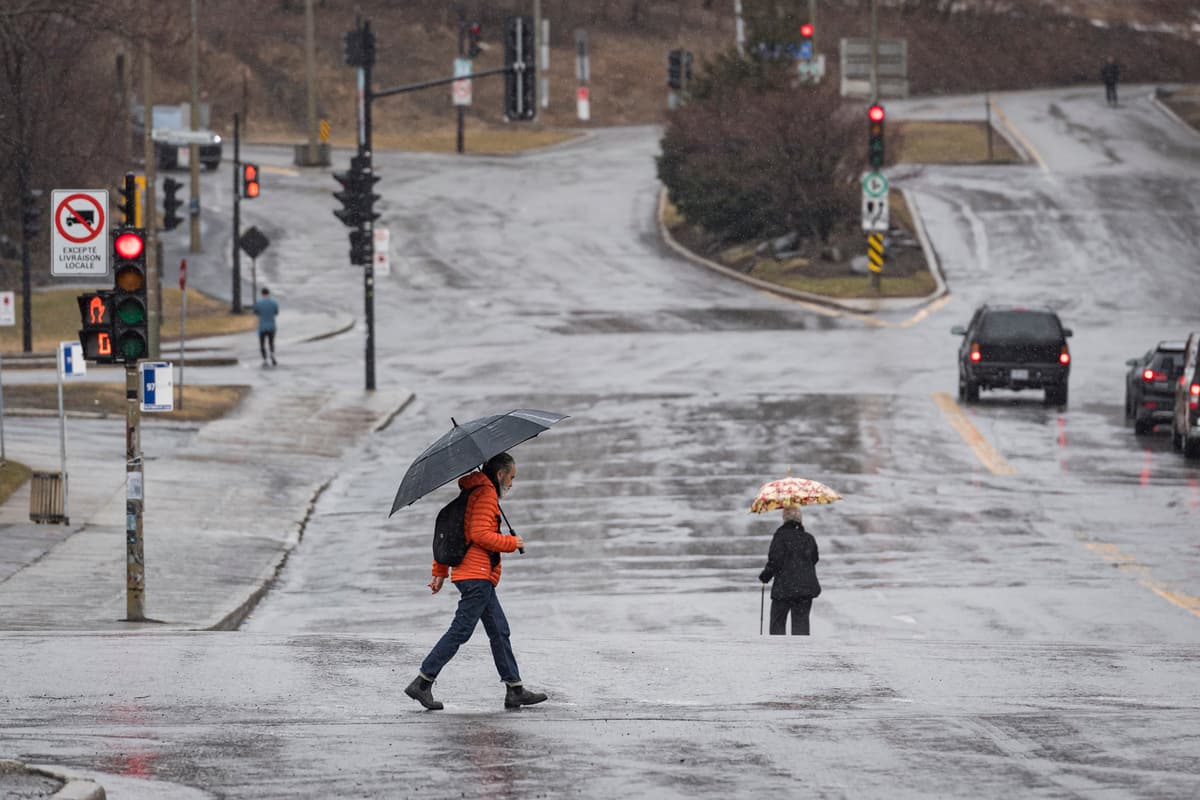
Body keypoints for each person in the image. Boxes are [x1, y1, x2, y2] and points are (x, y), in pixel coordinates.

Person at [405, 452, 548, 711]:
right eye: (511, 477)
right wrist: (510, 542)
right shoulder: (485, 494)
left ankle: (514, 689)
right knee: (460, 631)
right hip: (476, 575)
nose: (512, 483)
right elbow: (479, 535)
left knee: (499, 630)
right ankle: (422, 682)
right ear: (500, 474)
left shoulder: (473, 492)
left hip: (474, 574)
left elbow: (454, 532)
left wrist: (440, 571)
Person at [758, 505, 821, 635]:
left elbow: (775, 560)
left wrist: (766, 576)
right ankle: (800, 651)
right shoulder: (808, 538)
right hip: (804, 587)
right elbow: (814, 559)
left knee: (778, 623)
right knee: (801, 624)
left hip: (784, 587)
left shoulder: (780, 537)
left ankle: (778, 651)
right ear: (800, 519)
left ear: (784, 519)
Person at [251, 287, 279, 366]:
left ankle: (265, 358)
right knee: (271, 342)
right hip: (271, 326)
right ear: (268, 293)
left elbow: (255, 312)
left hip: (262, 326)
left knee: (262, 343)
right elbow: (276, 312)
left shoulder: (259, 303)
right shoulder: (274, 302)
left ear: (262, 294)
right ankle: (272, 354)